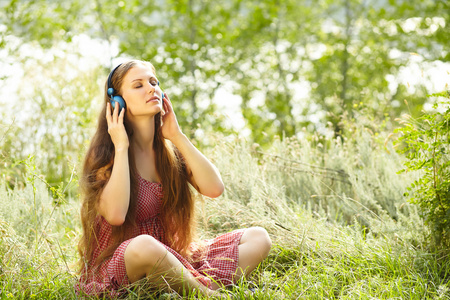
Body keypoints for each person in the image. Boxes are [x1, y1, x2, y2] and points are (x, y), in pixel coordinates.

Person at [76, 59, 272, 297]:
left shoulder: (169, 152)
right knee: (145, 245)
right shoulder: (107, 153)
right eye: (138, 85)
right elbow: (116, 215)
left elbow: (214, 188)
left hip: (173, 256)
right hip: (125, 262)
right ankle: (209, 295)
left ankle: (193, 287)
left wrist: (176, 135)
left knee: (258, 237)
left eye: (153, 82)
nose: (151, 89)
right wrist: (121, 147)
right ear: (117, 101)